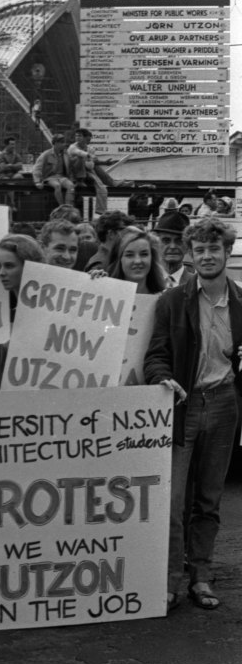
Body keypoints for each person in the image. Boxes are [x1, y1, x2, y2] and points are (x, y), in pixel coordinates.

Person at [144, 216, 242, 612]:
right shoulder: (173, 301)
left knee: (208, 500)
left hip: (224, 404)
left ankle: (201, 576)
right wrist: (163, 379)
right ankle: (169, 581)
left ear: (226, 252)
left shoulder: (241, 303)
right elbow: (156, 355)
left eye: (212, 249)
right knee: (172, 500)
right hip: (183, 405)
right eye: (198, 250)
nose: (205, 256)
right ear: (191, 254)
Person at [107, 228, 166, 294]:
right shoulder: (107, 294)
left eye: (144, 254)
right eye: (129, 255)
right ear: (119, 260)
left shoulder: (163, 299)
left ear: (152, 257)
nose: (138, 261)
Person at [67, 127, 111, 214]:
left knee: (102, 188)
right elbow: (79, 153)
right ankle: (112, 182)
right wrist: (88, 156)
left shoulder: (90, 149)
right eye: (76, 136)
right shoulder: (73, 147)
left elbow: (92, 164)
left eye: (79, 136)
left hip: (87, 172)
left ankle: (101, 210)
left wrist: (104, 163)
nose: (77, 138)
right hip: (73, 173)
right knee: (80, 158)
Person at [153, 210, 194, 288]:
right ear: (157, 244)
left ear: (187, 245)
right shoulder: (144, 282)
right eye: (166, 240)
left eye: (179, 241)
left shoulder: (197, 284)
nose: (172, 246)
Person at [32, 135, 75, 205]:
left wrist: (72, 178)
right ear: (55, 143)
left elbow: (70, 168)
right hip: (50, 178)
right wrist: (37, 181)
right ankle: (62, 206)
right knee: (57, 186)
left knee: (71, 186)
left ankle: (68, 206)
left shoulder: (66, 154)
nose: (64, 144)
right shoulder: (46, 154)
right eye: (61, 142)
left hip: (62, 177)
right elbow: (37, 168)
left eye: (64, 142)